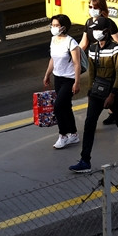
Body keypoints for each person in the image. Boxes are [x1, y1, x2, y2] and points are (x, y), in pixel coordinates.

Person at [69, 24, 118, 173]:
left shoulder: (116, 49)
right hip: (96, 92)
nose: (95, 33)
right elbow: (91, 73)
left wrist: (112, 95)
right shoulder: (93, 49)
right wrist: (90, 92)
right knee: (89, 124)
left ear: (106, 32)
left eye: (98, 30)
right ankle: (85, 160)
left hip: (112, 90)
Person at [44, 14, 83, 151]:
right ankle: (73, 134)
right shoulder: (53, 39)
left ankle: (63, 135)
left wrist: (77, 82)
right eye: (52, 25)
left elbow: (77, 64)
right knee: (66, 106)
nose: (53, 28)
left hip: (69, 79)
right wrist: (47, 74)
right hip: (58, 78)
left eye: (56, 25)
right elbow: (52, 59)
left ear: (64, 27)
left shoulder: (71, 42)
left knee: (58, 107)